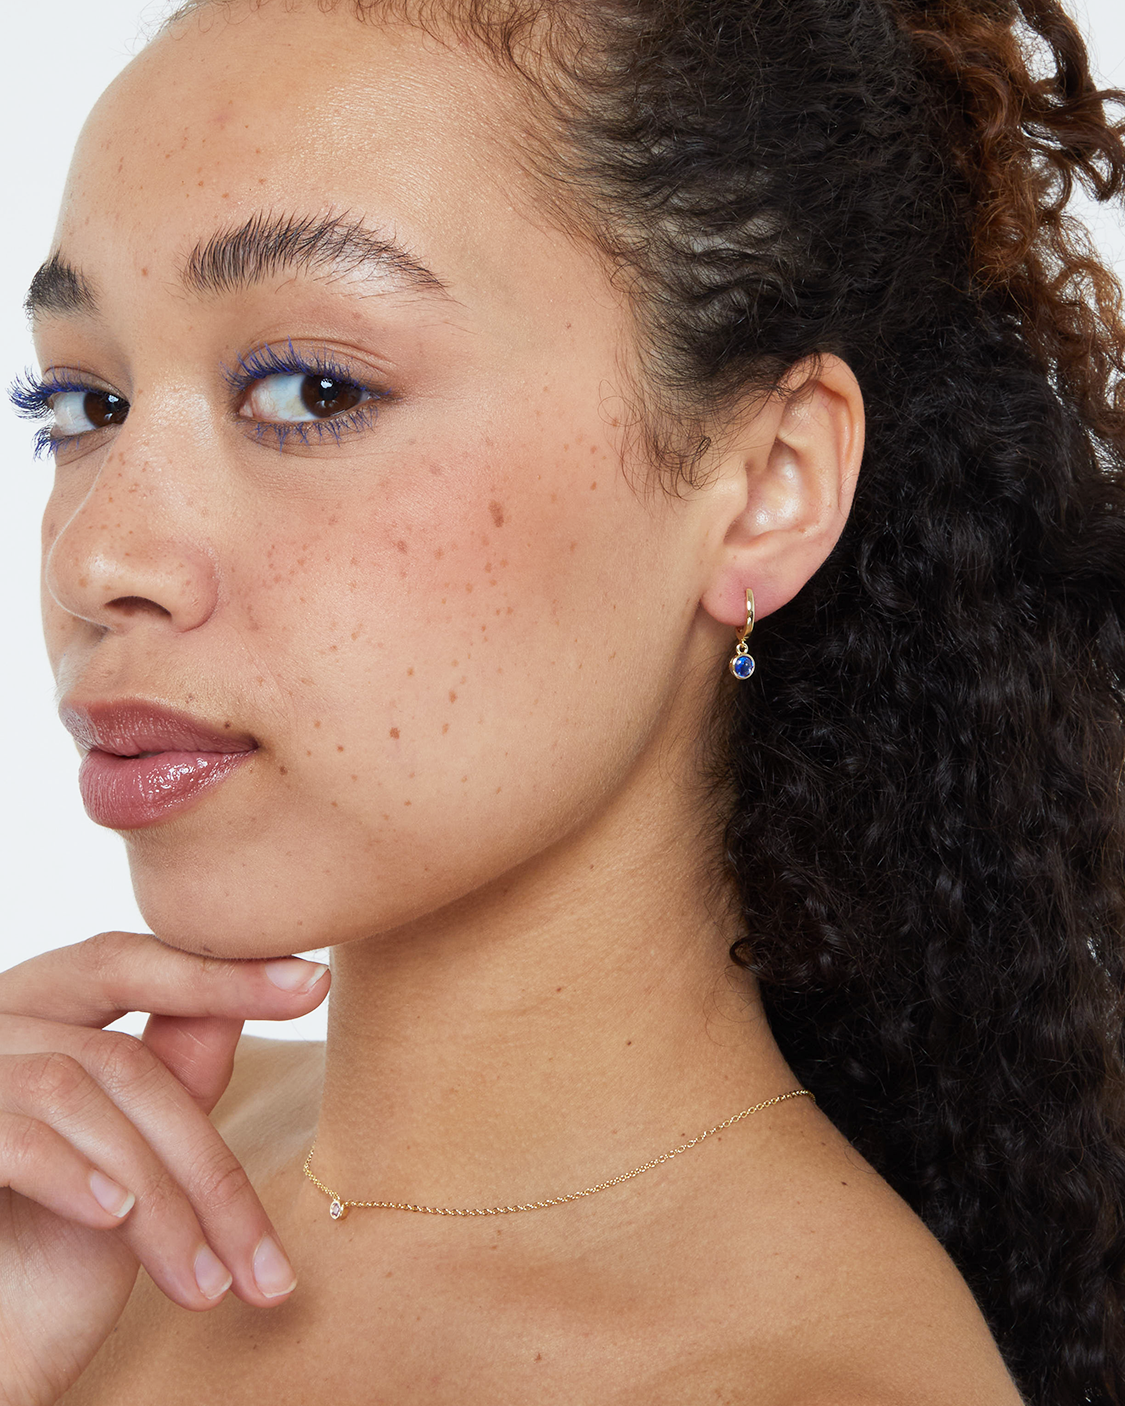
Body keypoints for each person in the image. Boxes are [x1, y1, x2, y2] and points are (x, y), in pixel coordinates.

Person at [2, 0, 1124, 1400]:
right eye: (80, 404)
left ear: (767, 483)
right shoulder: (89, 1195)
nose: (104, 556)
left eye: (313, 384)